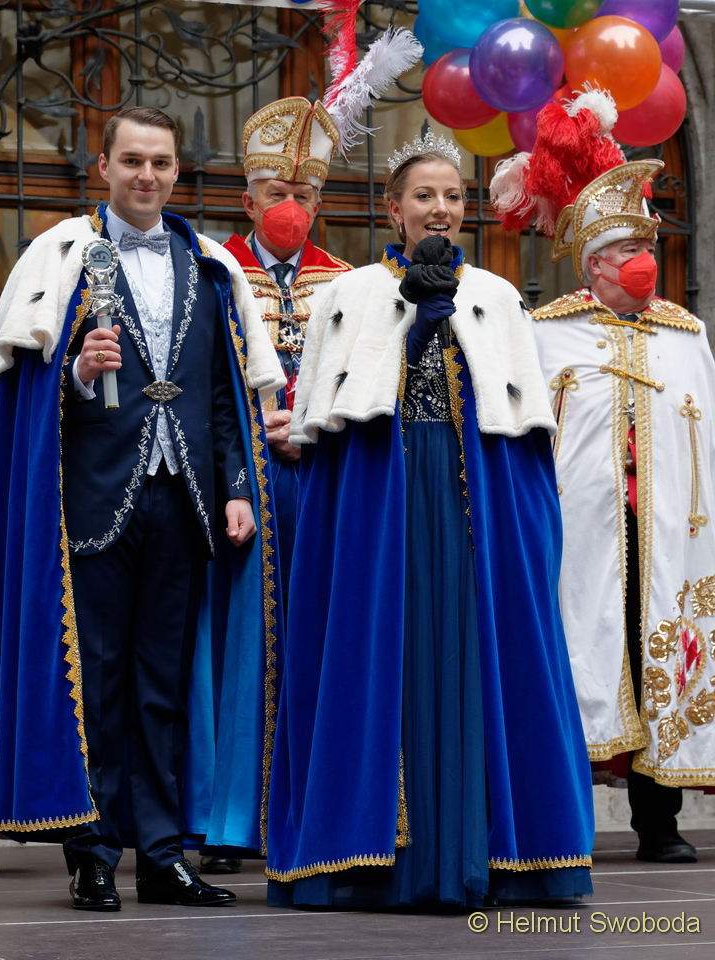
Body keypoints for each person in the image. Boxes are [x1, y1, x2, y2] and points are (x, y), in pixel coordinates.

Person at [265, 130, 594, 910]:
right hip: (383, 505)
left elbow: (521, 429)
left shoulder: (498, 297)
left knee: (477, 658)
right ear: (394, 209)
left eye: (452, 196)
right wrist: (413, 327)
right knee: (386, 657)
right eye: (424, 196)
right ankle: (379, 858)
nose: (439, 208)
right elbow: (329, 426)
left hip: (474, 506)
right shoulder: (351, 297)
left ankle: (484, 851)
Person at [0, 106, 285, 911]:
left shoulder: (208, 266)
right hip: (92, 502)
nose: (146, 176)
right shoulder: (63, 257)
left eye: (160, 163)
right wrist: (79, 372)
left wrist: (235, 486)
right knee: (97, 681)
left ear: (177, 171)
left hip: (182, 501)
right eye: (132, 161)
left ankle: (160, 855)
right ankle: (92, 853)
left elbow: (223, 393)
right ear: (105, 168)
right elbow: (30, 393)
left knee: (164, 685)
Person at [492, 88, 715, 865]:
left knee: (662, 654)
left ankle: (660, 819)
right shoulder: (547, 334)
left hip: (667, 531)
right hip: (582, 529)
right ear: (592, 266)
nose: (640, 261)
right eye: (623, 252)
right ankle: (565, 822)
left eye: (644, 245)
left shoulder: (688, 335)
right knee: (578, 653)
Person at [197, 97, 352, 877]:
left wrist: (314, 424)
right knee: (237, 645)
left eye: (305, 194)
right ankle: (228, 819)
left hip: (321, 479)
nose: (291, 207)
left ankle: (312, 810)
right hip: (241, 486)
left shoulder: (349, 284)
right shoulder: (212, 274)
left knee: (319, 638)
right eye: (276, 193)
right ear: (248, 199)